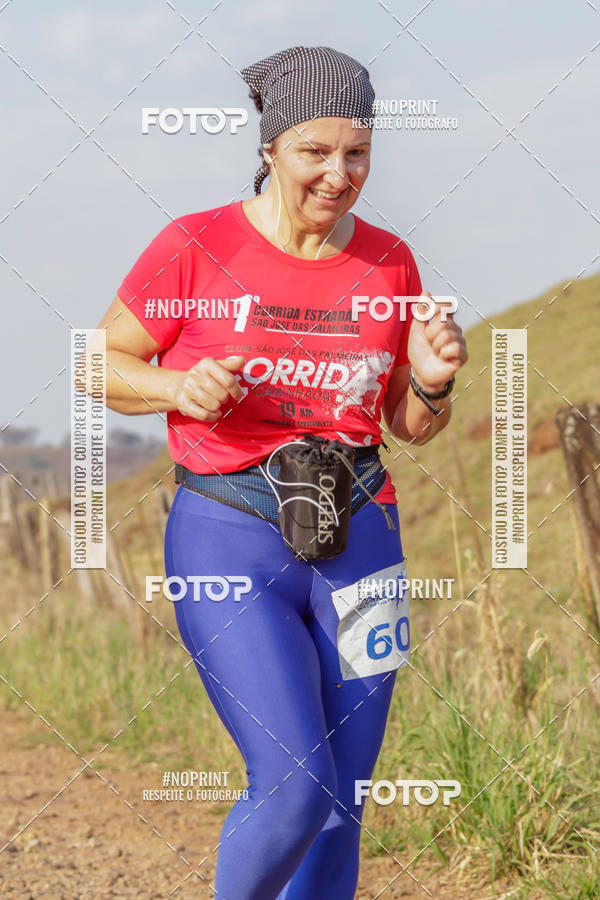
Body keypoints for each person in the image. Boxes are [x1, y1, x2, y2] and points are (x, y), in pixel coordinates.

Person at [99, 45, 468, 900]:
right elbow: (102, 362)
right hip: (230, 537)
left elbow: (409, 428)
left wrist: (433, 381)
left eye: (357, 153)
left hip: (364, 539)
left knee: (343, 804)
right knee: (296, 788)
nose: (338, 174)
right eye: (315, 151)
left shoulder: (390, 262)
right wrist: (176, 385)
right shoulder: (195, 245)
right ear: (270, 148)